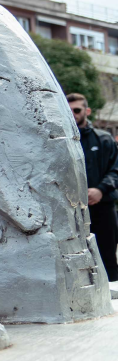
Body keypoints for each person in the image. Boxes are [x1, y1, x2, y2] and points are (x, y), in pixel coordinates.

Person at [68, 93, 118, 280]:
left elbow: (116, 170)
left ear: (87, 111)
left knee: (107, 258)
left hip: (103, 208)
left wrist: (100, 190)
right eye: (69, 110)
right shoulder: (61, 142)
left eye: (77, 110)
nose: (73, 114)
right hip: (72, 213)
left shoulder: (104, 139)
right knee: (76, 260)